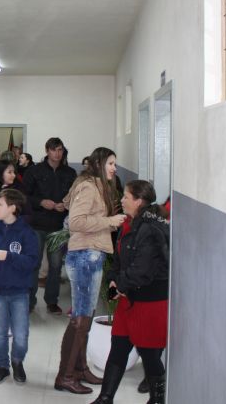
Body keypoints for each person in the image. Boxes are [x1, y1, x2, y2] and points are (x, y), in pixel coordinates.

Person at [54, 147, 126, 395]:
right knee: (80, 320)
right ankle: (65, 376)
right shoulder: (88, 186)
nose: (114, 168)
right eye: (111, 163)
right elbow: (75, 222)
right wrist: (109, 221)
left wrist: (109, 220)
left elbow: (69, 204)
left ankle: (80, 368)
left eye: (115, 164)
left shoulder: (94, 185)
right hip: (84, 256)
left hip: (91, 255)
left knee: (85, 317)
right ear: (99, 163)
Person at [90, 180, 169, 404]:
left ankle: (157, 399)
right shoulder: (128, 224)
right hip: (128, 299)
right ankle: (105, 398)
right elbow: (118, 261)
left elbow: (143, 270)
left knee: (149, 354)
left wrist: (120, 285)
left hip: (149, 303)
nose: (122, 200)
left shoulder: (151, 229)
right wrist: (113, 281)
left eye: (126, 196)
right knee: (118, 348)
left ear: (139, 201)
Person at [0, 189, 39, 385]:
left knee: (20, 335)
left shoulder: (26, 232)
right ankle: (2, 366)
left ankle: (17, 361)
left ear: (12, 208)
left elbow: (32, 261)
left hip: (19, 292)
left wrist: (10, 257)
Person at [23, 137, 77, 314]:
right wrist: (40, 202)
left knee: (55, 265)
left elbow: (75, 197)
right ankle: (29, 301)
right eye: (54, 150)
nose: (57, 153)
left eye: (60, 150)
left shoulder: (70, 173)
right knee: (34, 263)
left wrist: (65, 204)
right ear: (47, 151)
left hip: (58, 226)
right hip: (37, 225)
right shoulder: (34, 171)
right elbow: (24, 196)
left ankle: (52, 301)